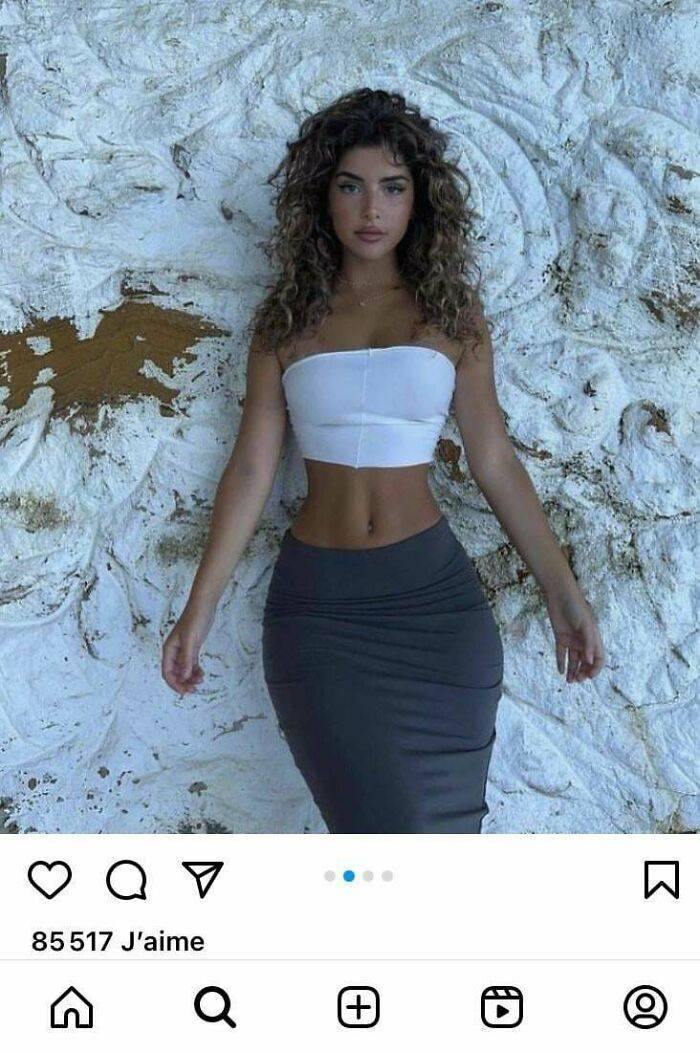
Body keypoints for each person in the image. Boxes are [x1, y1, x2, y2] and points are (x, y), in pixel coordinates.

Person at [161, 88, 605, 833]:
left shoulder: (452, 316)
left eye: (393, 188)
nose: (372, 209)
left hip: (436, 613)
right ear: (322, 197)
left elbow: (494, 460)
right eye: (351, 186)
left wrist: (563, 594)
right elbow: (251, 469)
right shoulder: (285, 321)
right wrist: (197, 610)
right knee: (377, 840)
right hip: (320, 617)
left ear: (418, 200)